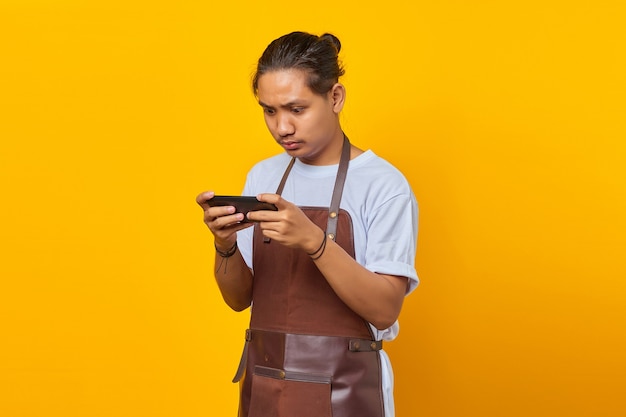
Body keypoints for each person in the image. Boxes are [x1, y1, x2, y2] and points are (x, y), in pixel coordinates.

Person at [196, 31, 419, 417]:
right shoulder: (263, 176)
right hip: (264, 386)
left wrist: (315, 242)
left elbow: (385, 310)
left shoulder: (383, 185)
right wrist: (225, 244)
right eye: (269, 110)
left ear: (335, 97)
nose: (282, 127)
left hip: (346, 393)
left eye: (296, 109)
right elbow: (239, 300)